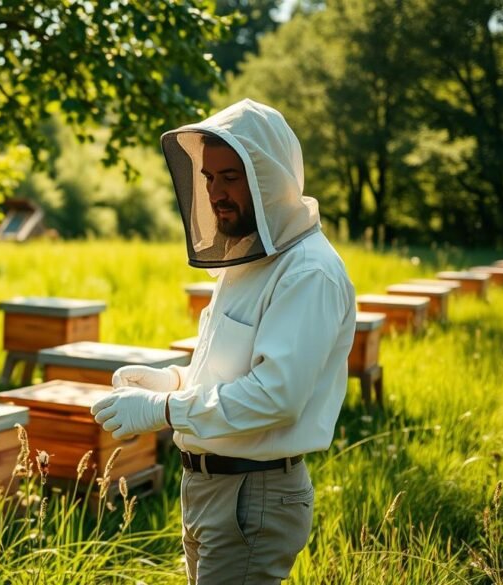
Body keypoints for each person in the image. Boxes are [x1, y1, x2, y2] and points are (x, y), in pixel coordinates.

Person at [91, 99, 356, 584]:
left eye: (231, 177)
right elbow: (232, 370)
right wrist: (172, 380)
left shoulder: (307, 271)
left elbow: (276, 396)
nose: (216, 193)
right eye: (209, 178)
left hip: (252, 494)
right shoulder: (250, 257)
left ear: (268, 178)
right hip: (212, 489)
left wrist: (165, 410)